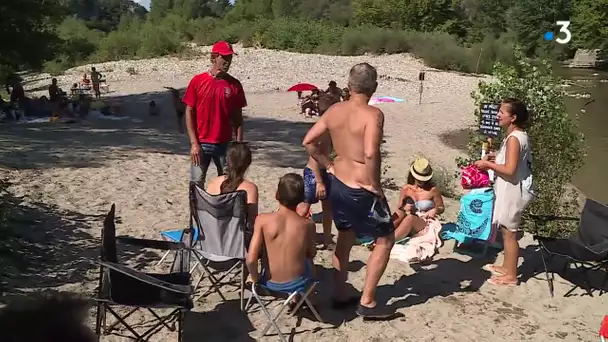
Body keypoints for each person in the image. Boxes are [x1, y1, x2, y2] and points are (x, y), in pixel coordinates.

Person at [303, 63, 396, 319]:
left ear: (349, 84)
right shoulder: (373, 115)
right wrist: (375, 185)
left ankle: (341, 292)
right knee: (386, 239)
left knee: (345, 235)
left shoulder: (334, 110)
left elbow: (308, 141)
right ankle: (367, 301)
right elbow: (369, 152)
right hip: (360, 185)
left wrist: (328, 164)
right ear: (374, 87)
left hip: (338, 181)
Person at [475, 98, 533, 287]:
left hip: (513, 190)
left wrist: (486, 164)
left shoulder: (515, 139)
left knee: (509, 233)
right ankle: (507, 267)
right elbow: (512, 161)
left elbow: (509, 169)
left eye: (502, 112)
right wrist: (496, 157)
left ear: (513, 117)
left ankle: (511, 276)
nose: (498, 115)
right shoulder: (517, 135)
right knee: (506, 230)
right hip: (512, 188)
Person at [246, 173, 316, 305]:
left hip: (269, 281)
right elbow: (311, 253)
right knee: (309, 261)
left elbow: (251, 260)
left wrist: (256, 279)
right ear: (301, 198)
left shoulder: (262, 220)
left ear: (277, 194)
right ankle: (307, 299)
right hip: (298, 282)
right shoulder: (308, 225)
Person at [183, 41, 246, 187]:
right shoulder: (198, 81)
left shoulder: (234, 85)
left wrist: (239, 144)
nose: (228, 61)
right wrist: (194, 143)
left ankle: (222, 209)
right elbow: (189, 112)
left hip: (225, 143)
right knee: (196, 182)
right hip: (202, 142)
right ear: (214, 58)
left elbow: (238, 118)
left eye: (230, 58)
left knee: (228, 182)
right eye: (224, 57)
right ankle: (196, 210)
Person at [297, 93, 340, 250]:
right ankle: (294, 234)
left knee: (328, 208)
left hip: (324, 173)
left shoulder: (328, 129)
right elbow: (314, 156)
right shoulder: (321, 131)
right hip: (314, 174)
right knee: (305, 206)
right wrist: (320, 181)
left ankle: (327, 239)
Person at [206, 142, 258, 246]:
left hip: (210, 241)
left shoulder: (213, 183)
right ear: (248, 163)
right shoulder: (250, 188)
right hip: (236, 244)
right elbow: (252, 221)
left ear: (227, 161)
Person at [391, 158, 445, 241]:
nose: (421, 180)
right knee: (399, 213)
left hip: (424, 221)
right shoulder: (406, 189)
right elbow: (400, 207)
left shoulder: (432, 190)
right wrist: (405, 207)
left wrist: (435, 210)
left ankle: (389, 241)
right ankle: (382, 236)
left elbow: (441, 208)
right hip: (406, 219)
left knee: (411, 218)